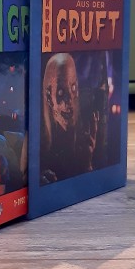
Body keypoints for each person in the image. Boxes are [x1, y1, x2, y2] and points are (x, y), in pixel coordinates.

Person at [41, 52, 98, 184]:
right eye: (61, 93)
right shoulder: (37, 140)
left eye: (73, 88)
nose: (70, 101)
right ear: (49, 97)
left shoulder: (85, 137)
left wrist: (87, 164)